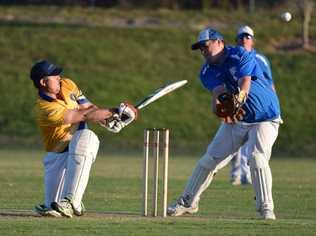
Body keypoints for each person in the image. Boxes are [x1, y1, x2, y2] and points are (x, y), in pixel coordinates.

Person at [167, 28, 281, 220]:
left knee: (257, 158)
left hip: (265, 116)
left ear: (219, 42)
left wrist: (239, 98)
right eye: (200, 48)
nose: (202, 50)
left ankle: (266, 208)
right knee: (209, 160)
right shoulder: (206, 72)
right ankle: (187, 202)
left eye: (206, 45)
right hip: (238, 119)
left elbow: (245, 82)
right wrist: (221, 109)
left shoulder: (240, 54)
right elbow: (218, 94)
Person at [31, 60, 137, 218]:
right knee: (52, 209)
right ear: (43, 82)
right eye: (54, 76)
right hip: (57, 157)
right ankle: (69, 202)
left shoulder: (67, 84)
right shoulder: (45, 109)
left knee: (86, 138)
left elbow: (89, 108)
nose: (59, 77)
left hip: (77, 147)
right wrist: (114, 110)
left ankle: (72, 200)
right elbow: (83, 115)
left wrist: (110, 120)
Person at [229, 25, 276, 186]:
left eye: (247, 37)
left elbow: (270, 84)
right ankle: (235, 174)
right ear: (236, 41)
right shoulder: (231, 58)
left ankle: (246, 175)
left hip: (257, 108)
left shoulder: (260, 60)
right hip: (236, 105)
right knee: (233, 143)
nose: (244, 39)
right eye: (241, 37)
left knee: (253, 144)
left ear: (252, 41)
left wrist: (272, 104)